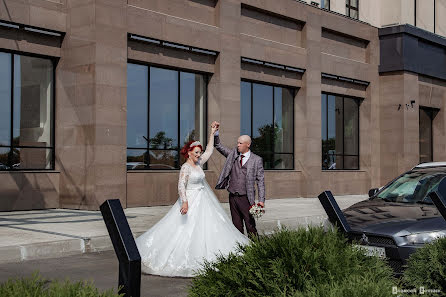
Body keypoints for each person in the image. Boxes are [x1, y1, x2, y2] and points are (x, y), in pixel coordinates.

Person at [135, 123, 249, 277]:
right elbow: (181, 186)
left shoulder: (198, 163)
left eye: (199, 152)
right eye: (196, 152)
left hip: (204, 200)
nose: (198, 154)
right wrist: (185, 202)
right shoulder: (185, 168)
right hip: (191, 199)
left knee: (209, 228)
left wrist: (212, 133)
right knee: (185, 229)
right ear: (188, 153)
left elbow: (210, 150)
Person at [212, 121, 265, 237]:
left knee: (250, 226)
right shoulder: (232, 154)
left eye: (240, 143)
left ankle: (256, 250)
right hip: (233, 197)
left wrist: (261, 200)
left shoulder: (257, 160)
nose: (238, 145)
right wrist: (216, 133)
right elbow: (218, 146)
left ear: (248, 145)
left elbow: (261, 181)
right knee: (236, 227)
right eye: (237, 143)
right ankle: (239, 251)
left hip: (246, 198)